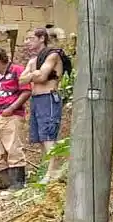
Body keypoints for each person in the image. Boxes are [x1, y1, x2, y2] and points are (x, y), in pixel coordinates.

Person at [21, 26, 72, 183]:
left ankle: (52, 173)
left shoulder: (52, 55)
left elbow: (42, 77)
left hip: (48, 97)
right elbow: (21, 80)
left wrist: (33, 75)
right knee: (41, 138)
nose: (26, 42)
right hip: (36, 100)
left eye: (30, 38)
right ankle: (46, 172)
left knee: (49, 136)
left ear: (42, 38)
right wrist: (33, 74)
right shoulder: (32, 61)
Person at [0, 46, 31, 191]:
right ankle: (9, 182)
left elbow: (26, 91)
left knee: (14, 149)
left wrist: (12, 108)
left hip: (12, 116)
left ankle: (18, 184)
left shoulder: (17, 70)